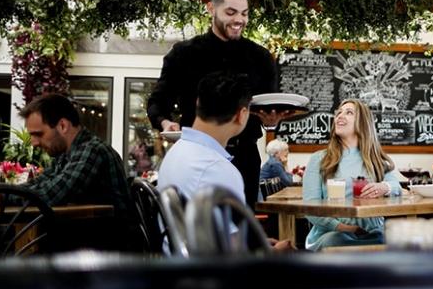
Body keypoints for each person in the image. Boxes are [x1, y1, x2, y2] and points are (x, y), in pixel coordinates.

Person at [147, 0, 277, 211]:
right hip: (196, 156)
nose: (239, 19)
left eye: (244, 14)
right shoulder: (184, 55)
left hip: (245, 158)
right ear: (210, 9)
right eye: (230, 12)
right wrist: (165, 122)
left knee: (238, 230)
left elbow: (268, 105)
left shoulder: (260, 58)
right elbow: (158, 101)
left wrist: (270, 121)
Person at [157, 72, 291, 251]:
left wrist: (258, 243)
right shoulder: (218, 168)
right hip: (210, 273)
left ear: (198, 103)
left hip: (177, 262)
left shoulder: (176, 151)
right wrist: (272, 253)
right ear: (242, 115)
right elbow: (234, 254)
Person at [20, 93, 134, 245]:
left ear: (63, 126)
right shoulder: (66, 154)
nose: (33, 143)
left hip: (108, 249)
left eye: (38, 134)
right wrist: (3, 191)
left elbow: (51, 195)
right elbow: (42, 181)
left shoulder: (92, 150)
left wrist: (3, 196)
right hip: (87, 240)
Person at [302, 99, 402, 250]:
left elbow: (396, 186)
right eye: (339, 113)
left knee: (396, 242)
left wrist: (384, 187)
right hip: (333, 233)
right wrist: (345, 228)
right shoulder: (319, 158)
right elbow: (310, 208)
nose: (340, 116)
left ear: (363, 123)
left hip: (374, 232)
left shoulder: (375, 159)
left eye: (349, 113)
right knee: (336, 242)